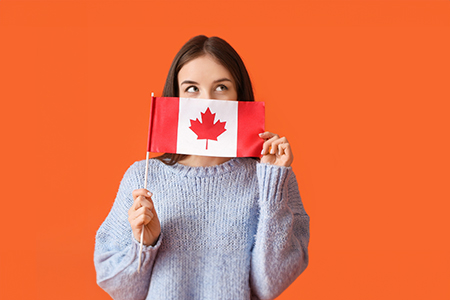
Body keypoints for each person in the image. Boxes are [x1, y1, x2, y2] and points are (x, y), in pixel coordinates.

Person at [94, 35, 310, 300]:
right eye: (192, 89)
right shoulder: (143, 177)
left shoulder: (271, 178)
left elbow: (270, 285)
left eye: (221, 87)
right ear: (175, 97)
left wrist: (273, 184)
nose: (207, 101)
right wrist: (144, 243)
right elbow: (121, 289)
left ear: (239, 96)